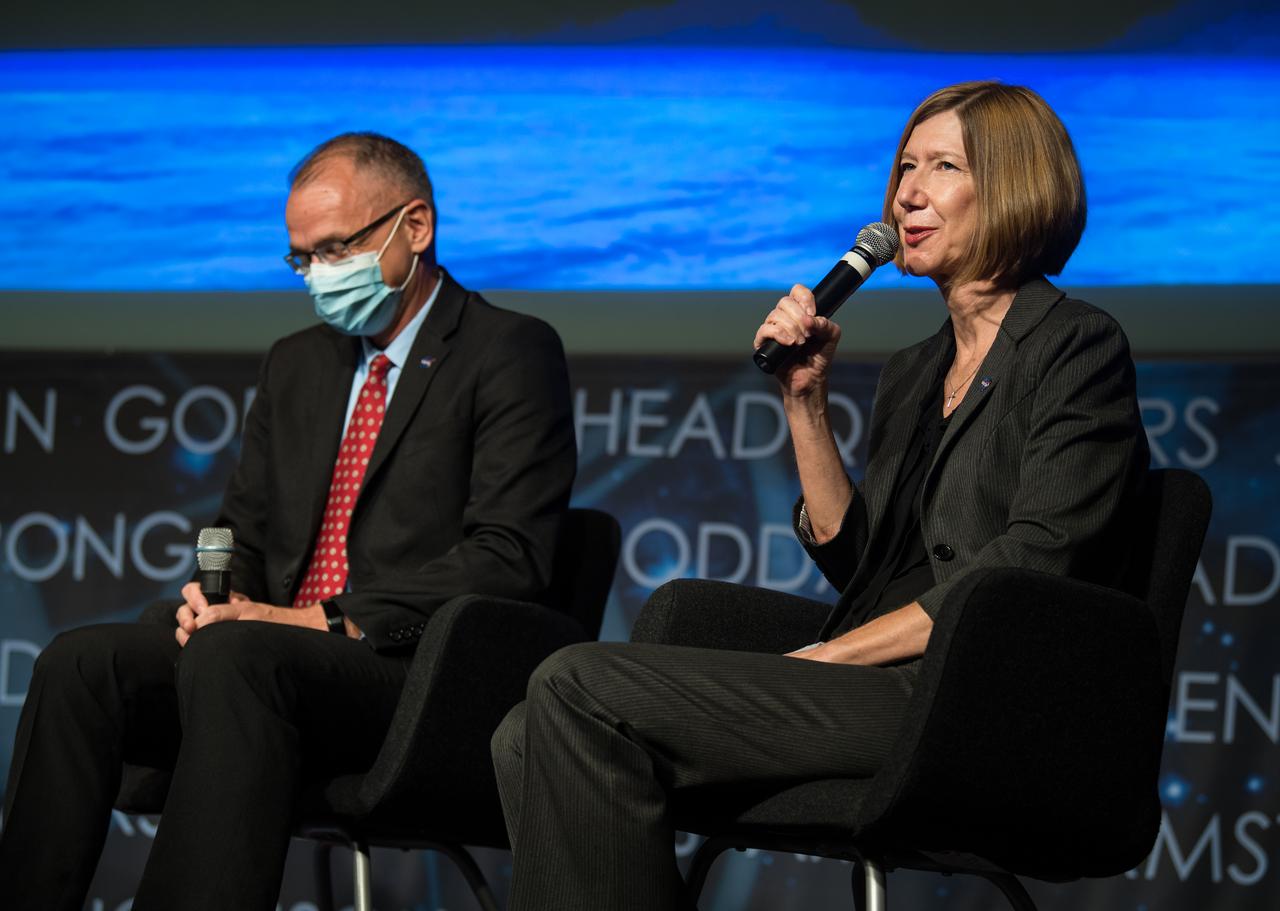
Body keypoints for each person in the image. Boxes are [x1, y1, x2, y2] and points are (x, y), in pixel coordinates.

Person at [490, 81, 1150, 910]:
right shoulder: (917, 368)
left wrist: (829, 655)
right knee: (524, 735)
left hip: (974, 699)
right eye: (904, 166)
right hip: (883, 685)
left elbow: (1031, 563)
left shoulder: (1074, 345)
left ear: (1017, 184)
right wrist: (804, 398)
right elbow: (859, 562)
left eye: (942, 166)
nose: (906, 192)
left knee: (577, 683)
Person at [0, 132, 576, 911]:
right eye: (302, 258)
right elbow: (242, 527)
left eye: (337, 247)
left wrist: (318, 618)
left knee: (239, 656)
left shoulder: (509, 350)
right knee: (80, 662)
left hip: (406, 674)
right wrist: (221, 594)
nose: (320, 276)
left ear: (416, 226)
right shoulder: (297, 361)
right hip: (262, 649)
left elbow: (508, 557)